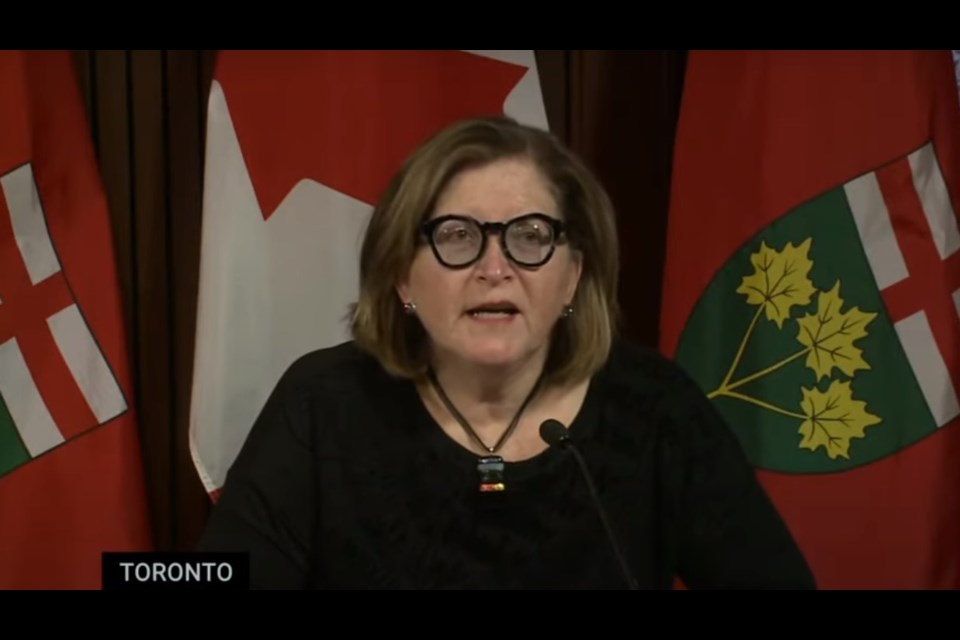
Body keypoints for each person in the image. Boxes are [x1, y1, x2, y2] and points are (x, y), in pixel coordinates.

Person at [196, 115, 816, 590]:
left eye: (529, 236)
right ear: (403, 279)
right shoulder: (325, 404)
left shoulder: (652, 409)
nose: (495, 268)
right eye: (458, 237)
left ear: (573, 276)